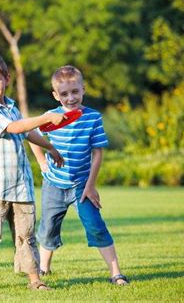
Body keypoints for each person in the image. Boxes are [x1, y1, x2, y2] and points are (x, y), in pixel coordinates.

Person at [0, 54, 66, 291]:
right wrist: (45, 117)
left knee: (26, 235)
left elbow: (26, 133)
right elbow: (14, 128)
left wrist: (49, 146)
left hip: (21, 185)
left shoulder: (11, 107)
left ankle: (34, 279)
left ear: (6, 79)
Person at [31, 65, 129, 285]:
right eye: (64, 94)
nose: (71, 97)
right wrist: (40, 162)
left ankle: (116, 273)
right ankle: (44, 269)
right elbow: (33, 136)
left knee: (95, 224)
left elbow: (97, 153)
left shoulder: (92, 118)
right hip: (53, 185)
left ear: (83, 89)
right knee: (48, 227)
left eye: (75, 91)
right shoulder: (50, 117)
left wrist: (91, 185)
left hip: (81, 186)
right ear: (56, 96)